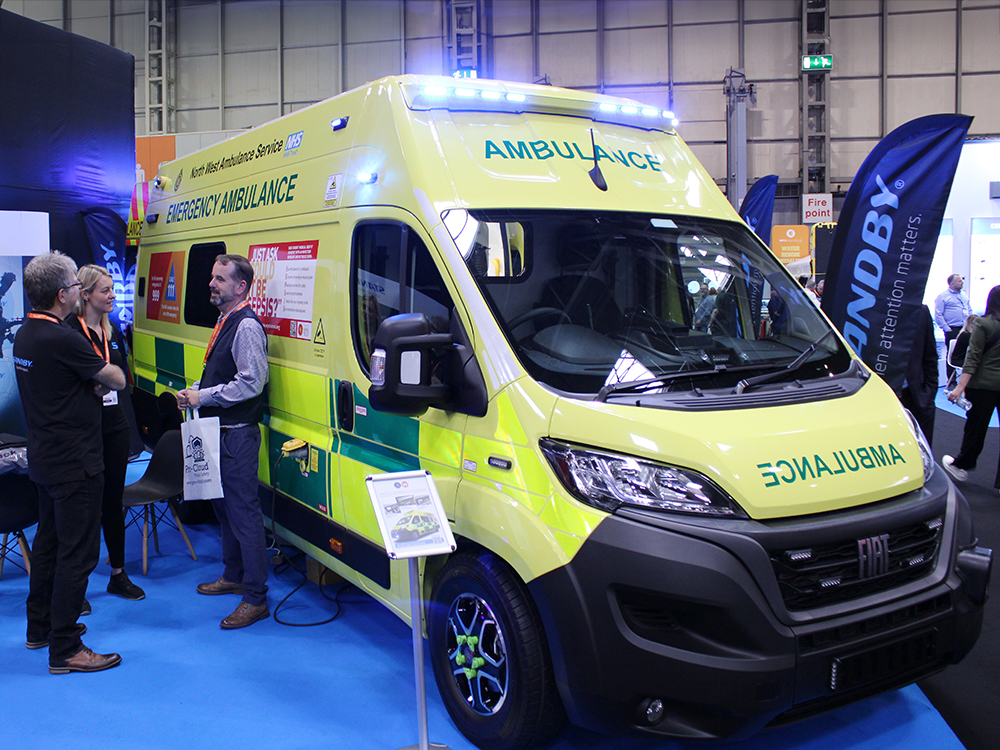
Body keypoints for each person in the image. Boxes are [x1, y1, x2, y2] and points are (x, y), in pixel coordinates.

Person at [14, 252, 126, 673]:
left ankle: (39, 628)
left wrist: (84, 386)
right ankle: (65, 648)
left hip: (45, 458)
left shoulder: (26, 334)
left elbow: (57, 387)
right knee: (77, 554)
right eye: (77, 289)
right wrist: (98, 377)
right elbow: (115, 377)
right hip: (76, 463)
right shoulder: (63, 338)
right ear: (63, 295)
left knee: (48, 546)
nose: (81, 294)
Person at [176, 255, 270, 629]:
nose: (211, 284)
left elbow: (252, 381)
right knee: (225, 511)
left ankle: (255, 598)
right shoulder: (226, 320)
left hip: (236, 436)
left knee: (245, 516)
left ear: (241, 287)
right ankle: (233, 576)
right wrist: (196, 391)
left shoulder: (246, 325)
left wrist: (205, 397)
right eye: (212, 277)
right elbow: (226, 374)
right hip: (218, 433)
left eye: (219, 279)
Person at [67, 265, 146, 601]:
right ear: (85, 295)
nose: (113, 295)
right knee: (84, 508)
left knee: (113, 502)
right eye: (106, 290)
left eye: (113, 289)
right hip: (83, 431)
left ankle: (118, 573)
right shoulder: (70, 332)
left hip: (114, 426)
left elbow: (122, 378)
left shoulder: (111, 329)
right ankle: (75, 586)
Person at [943, 285, 1000, 487]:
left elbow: (972, 359)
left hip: (983, 386)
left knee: (976, 429)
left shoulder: (983, 324)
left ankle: (961, 466)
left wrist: (959, 388)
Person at [898, 306, 938, 445]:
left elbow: (930, 354)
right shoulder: (868, 309)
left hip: (917, 394)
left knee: (922, 453)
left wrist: (930, 390)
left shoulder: (920, 311)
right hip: (882, 396)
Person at [934, 273, 972, 347]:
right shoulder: (943, 296)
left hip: (966, 328)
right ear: (952, 284)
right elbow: (938, 314)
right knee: (953, 352)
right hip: (953, 329)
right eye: (959, 281)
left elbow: (969, 309)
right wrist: (947, 329)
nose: (962, 282)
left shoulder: (964, 294)